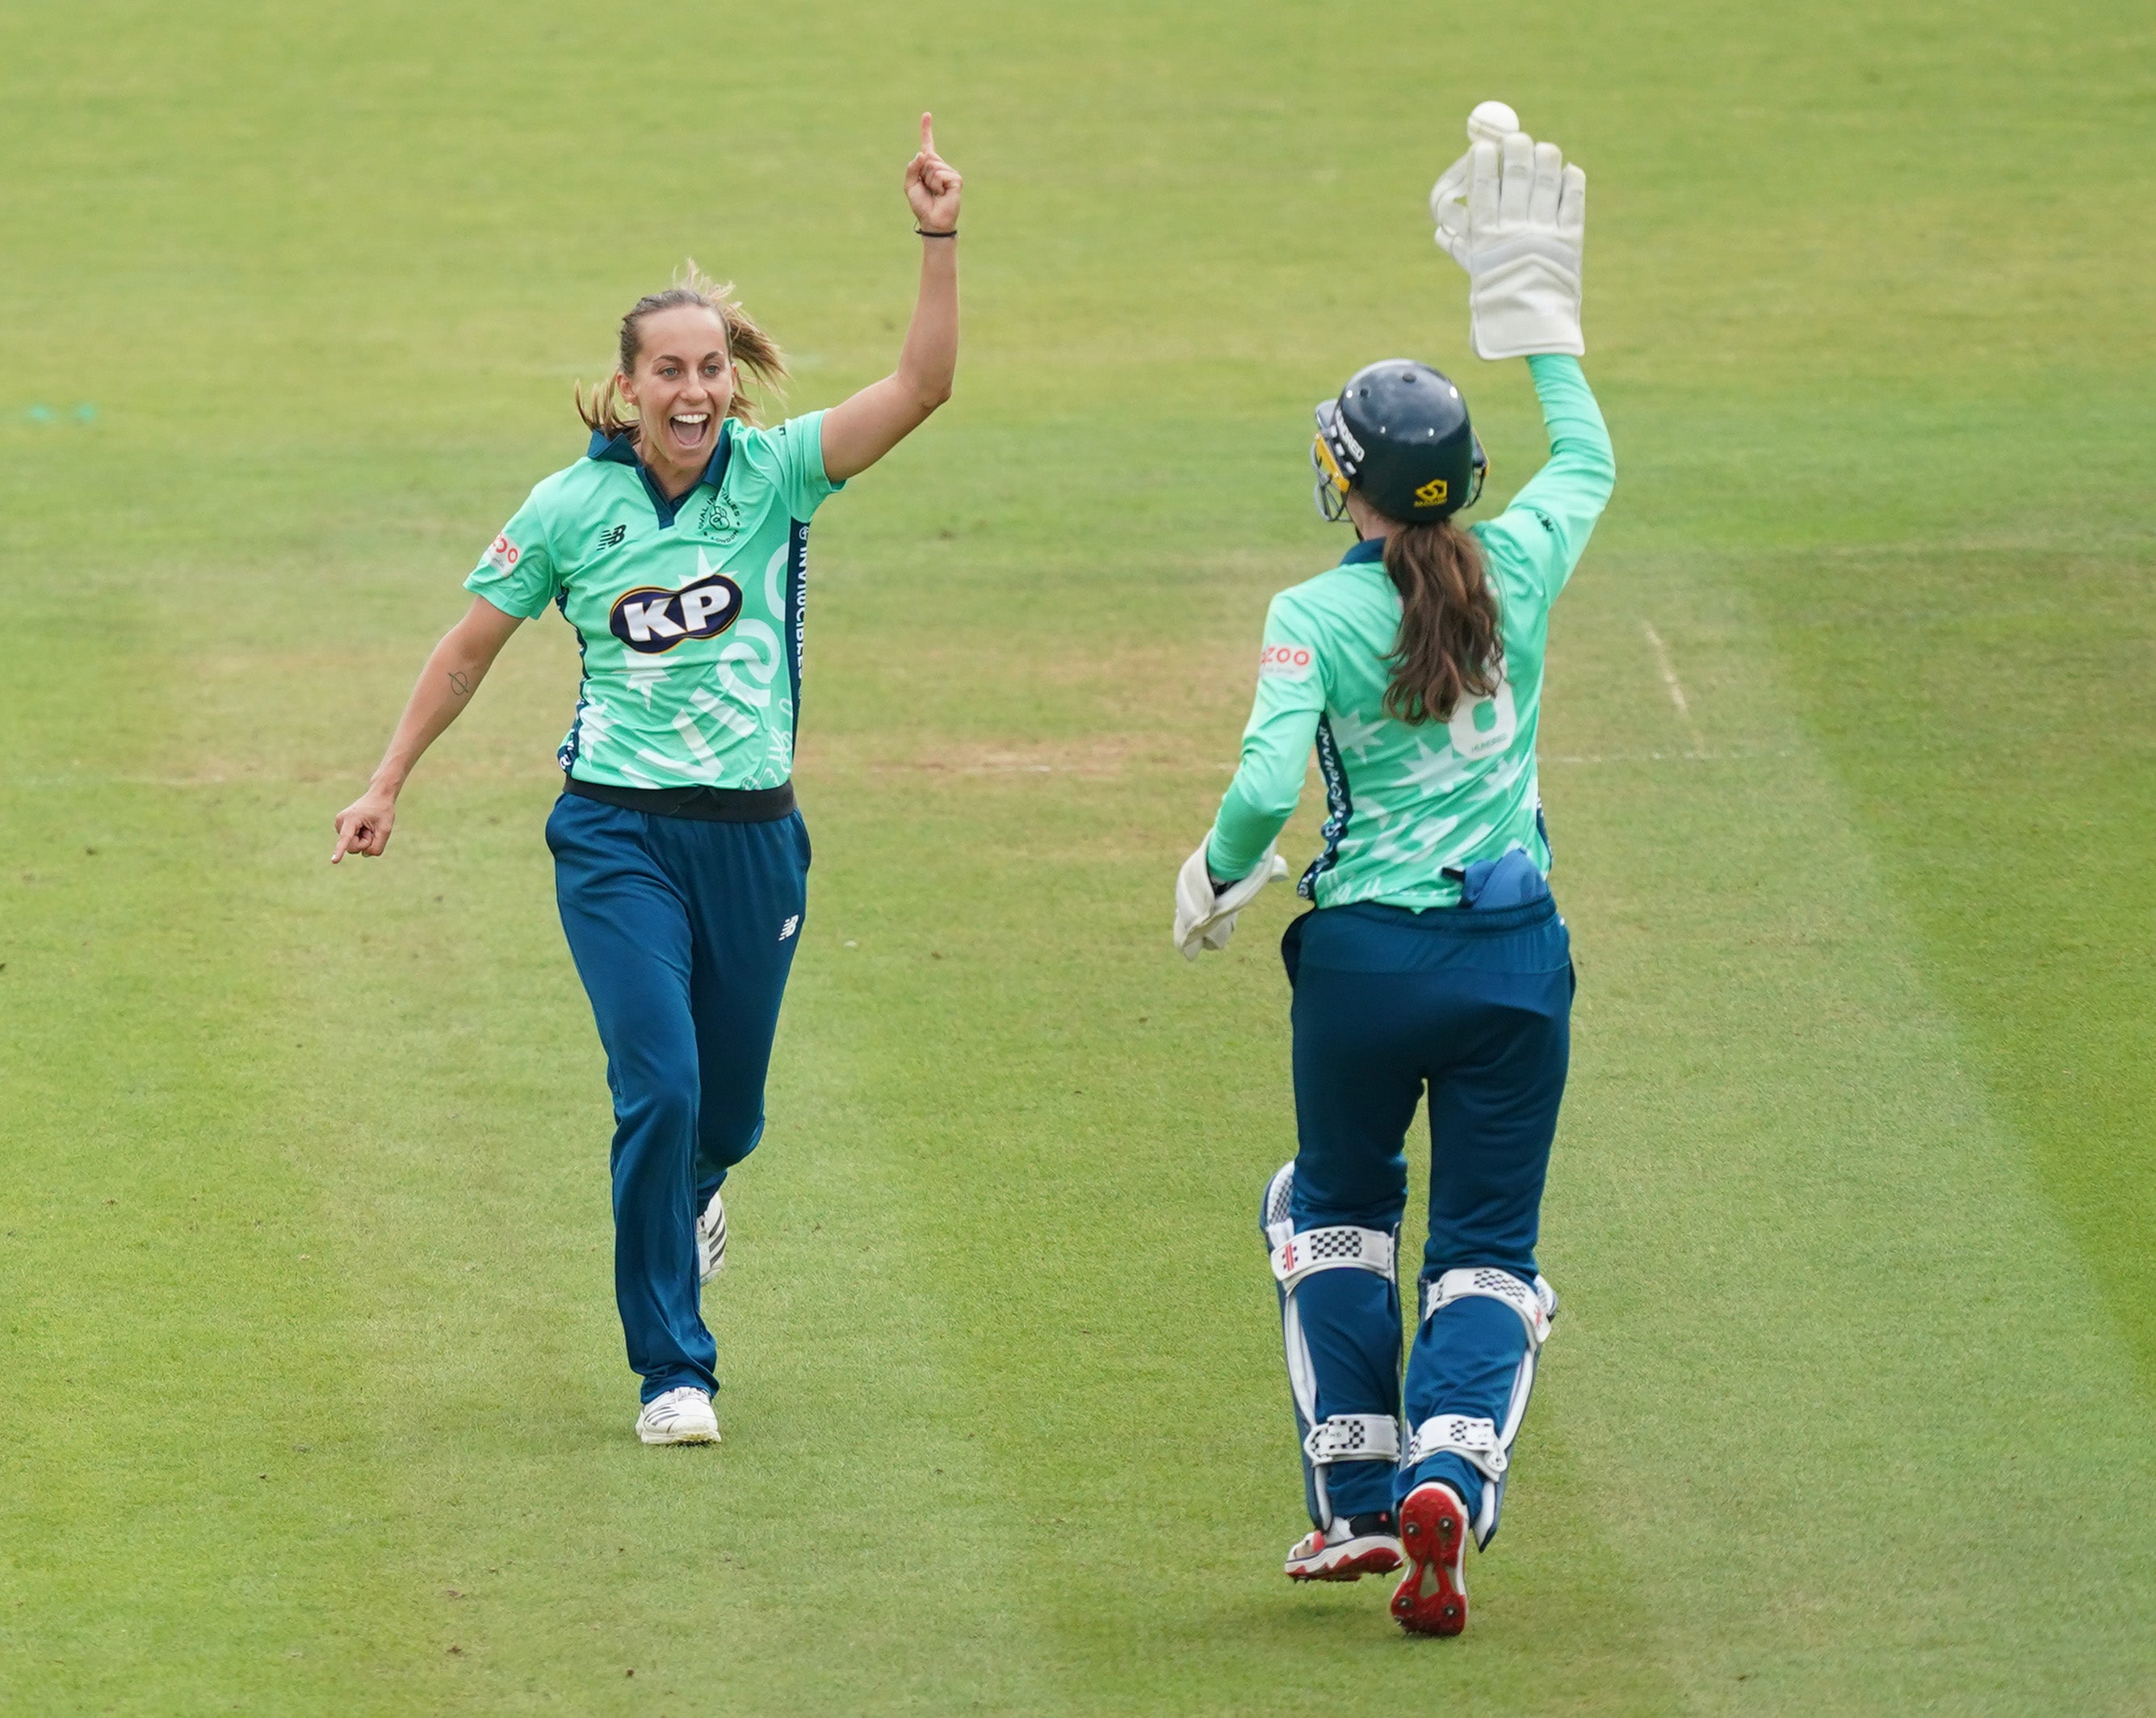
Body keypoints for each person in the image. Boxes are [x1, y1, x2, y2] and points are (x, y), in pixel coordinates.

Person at [330, 116, 963, 1447]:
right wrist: (387, 779)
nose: (692, 390)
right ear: (626, 388)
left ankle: (692, 1193)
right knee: (658, 1089)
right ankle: (672, 1369)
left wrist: (935, 236)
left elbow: (920, 387)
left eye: (712, 367)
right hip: (615, 835)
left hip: (756, 843)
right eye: (667, 370)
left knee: (726, 1114)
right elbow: (466, 652)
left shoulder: (782, 476)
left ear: (734, 381)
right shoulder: (568, 509)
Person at [1172, 120, 1612, 1634]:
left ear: (1342, 479)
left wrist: (1217, 881)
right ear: (1460, 480)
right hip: (1513, 962)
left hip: (1360, 966)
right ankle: (1450, 1468)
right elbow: (1591, 460)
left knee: (1335, 1210)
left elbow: (1254, 789)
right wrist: (1538, 322)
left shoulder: (1314, 608)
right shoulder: (1526, 559)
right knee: (1488, 1251)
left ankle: (1355, 1503)